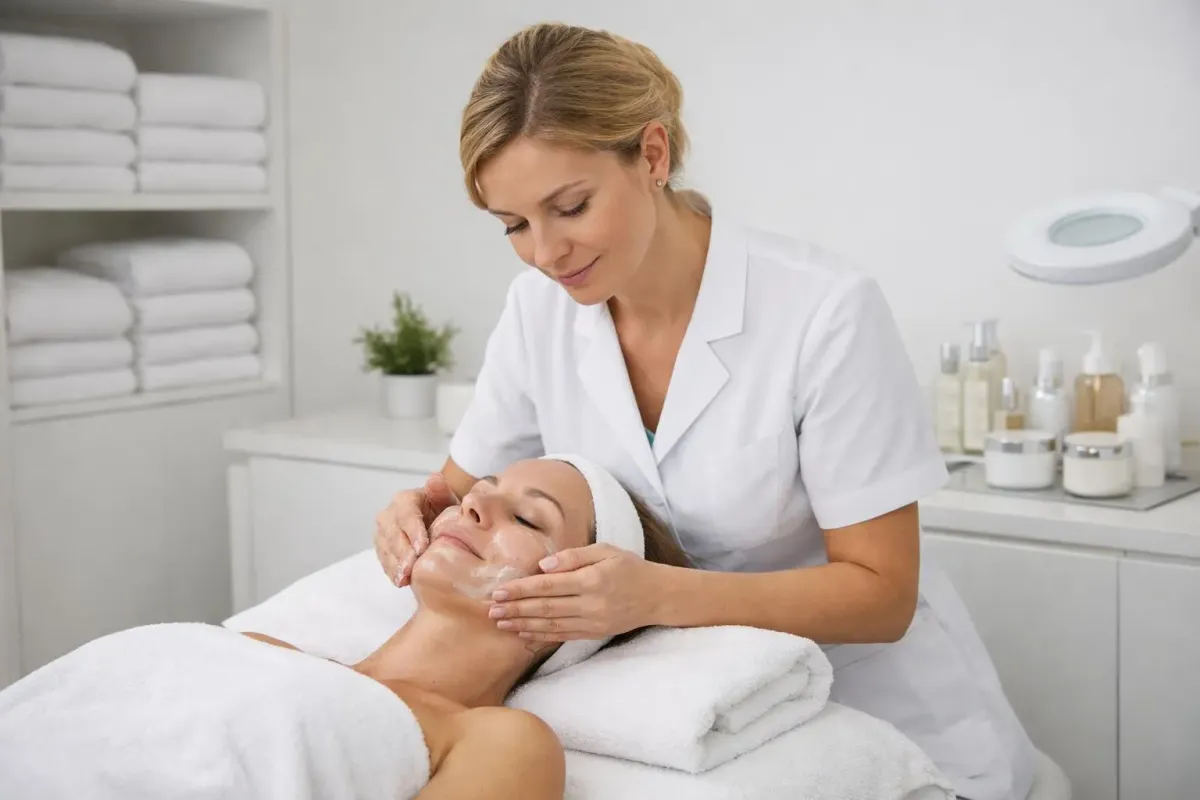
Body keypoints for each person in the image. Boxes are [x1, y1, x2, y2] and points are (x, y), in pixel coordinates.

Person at [376, 21, 1036, 800]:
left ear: (652, 155)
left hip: (872, 717)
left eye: (571, 206)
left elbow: (883, 594)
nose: (547, 253)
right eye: (515, 226)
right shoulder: (539, 311)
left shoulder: (822, 312)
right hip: (676, 715)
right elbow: (460, 488)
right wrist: (415, 511)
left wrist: (653, 594)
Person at [0, 455, 691, 800]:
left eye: (528, 518)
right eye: (483, 493)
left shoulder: (499, 740)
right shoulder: (260, 648)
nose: (472, 507)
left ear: (580, 607)